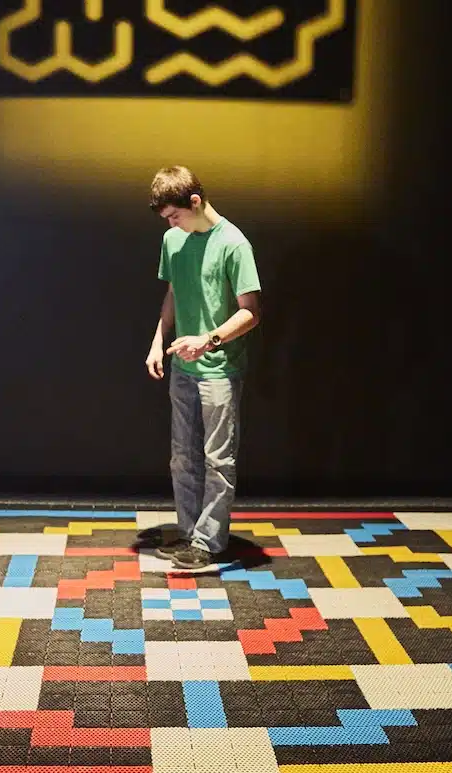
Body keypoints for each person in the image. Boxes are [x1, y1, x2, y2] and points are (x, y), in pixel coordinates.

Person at [144, 166, 262, 569]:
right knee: (182, 456)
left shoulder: (234, 244)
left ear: (195, 202)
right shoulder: (173, 240)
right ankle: (189, 532)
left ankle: (209, 542)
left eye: (175, 215)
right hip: (183, 367)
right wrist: (158, 341)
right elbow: (174, 292)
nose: (171, 224)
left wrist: (207, 340)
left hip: (220, 368)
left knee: (218, 459)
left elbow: (251, 312)